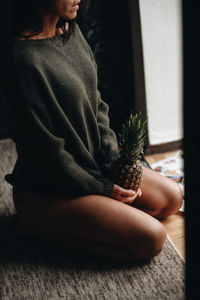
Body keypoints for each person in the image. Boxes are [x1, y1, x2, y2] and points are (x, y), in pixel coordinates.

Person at [3, 0, 183, 262]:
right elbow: (48, 154)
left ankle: (97, 217)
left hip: (93, 166)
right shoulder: (22, 59)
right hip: (49, 189)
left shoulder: (70, 32)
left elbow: (97, 105)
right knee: (151, 240)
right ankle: (39, 226)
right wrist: (104, 188)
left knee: (172, 198)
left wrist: (113, 164)